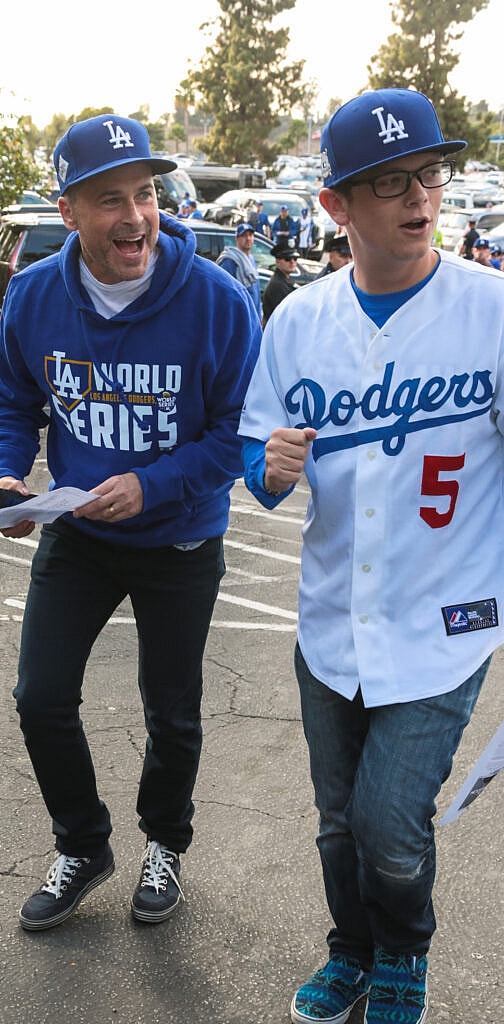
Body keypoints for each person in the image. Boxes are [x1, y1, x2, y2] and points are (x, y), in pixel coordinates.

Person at [238, 87, 504, 1024]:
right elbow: (257, 465)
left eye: (428, 172)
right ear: (336, 207)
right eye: (387, 181)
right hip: (330, 622)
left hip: (448, 621)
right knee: (338, 823)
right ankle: (350, 951)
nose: (417, 196)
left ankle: (405, 950)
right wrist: (266, 468)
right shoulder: (300, 322)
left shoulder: (493, 311)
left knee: (391, 823)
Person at [0, 114, 260, 932]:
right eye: (111, 200)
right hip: (79, 534)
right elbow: (12, 400)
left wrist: (155, 484)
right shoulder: (36, 294)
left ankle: (164, 843)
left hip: (180, 540)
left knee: (170, 710)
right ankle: (84, 844)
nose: (137, 216)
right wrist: (7, 474)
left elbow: (239, 432)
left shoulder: (216, 300)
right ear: (69, 212)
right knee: (39, 698)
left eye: (145, 194)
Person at [216, 222, 261, 315]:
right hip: (240, 314)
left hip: (253, 314)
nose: (248, 238)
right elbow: (226, 292)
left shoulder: (251, 259)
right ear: (237, 239)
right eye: (244, 236)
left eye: (250, 235)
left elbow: (256, 290)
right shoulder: (230, 260)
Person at [261, 241, 298, 326]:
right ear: (278, 262)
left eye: (295, 258)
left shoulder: (286, 280)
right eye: (287, 259)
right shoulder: (277, 285)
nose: (292, 262)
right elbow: (287, 314)